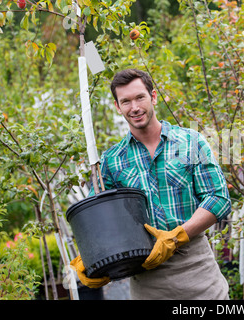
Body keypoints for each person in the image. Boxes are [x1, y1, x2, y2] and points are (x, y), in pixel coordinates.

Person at [70, 68, 231, 299]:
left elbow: (219, 198)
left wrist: (177, 237)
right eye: (125, 101)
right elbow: (100, 223)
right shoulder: (112, 161)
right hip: (147, 280)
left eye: (139, 97)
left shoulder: (190, 142)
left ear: (153, 97)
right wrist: (93, 257)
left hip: (198, 273)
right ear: (118, 107)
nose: (134, 107)